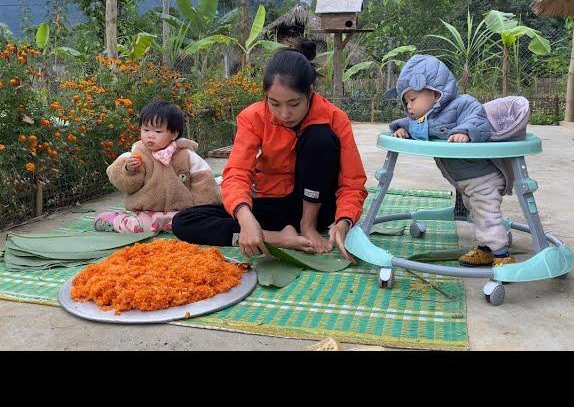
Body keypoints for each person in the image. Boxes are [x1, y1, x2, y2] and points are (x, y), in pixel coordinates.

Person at [172, 38, 368, 263]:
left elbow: (352, 182)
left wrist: (343, 222)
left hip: (321, 207)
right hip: (273, 206)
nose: (284, 114)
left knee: (319, 137)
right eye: (274, 103)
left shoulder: (335, 119)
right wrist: (246, 219)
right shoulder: (253, 118)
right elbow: (237, 173)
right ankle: (274, 238)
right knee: (183, 222)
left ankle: (308, 225)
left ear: (310, 93)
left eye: (294, 104)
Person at [388, 54, 516, 267]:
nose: (408, 106)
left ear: (436, 94)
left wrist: (464, 132)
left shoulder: (461, 104)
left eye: (412, 100)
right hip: (465, 180)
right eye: (406, 102)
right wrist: (402, 129)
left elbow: (478, 119)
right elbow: (413, 126)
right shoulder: (425, 118)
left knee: (486, 214)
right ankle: (486, 250)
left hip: (483, 177)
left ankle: (503, 256)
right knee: (476, 212)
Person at [93, 100, 222, 233]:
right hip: (147, 211)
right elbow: (124, 182)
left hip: (179, 212)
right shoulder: (137, 154)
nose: (150, 135)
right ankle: (116, 220)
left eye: (158, 131)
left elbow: (203, 183)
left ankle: (175, 224)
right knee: (138, 227)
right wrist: (128, 171)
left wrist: (201, 210)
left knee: (192, 226)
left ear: (174, 133)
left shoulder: (186, 156)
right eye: (146, 129)